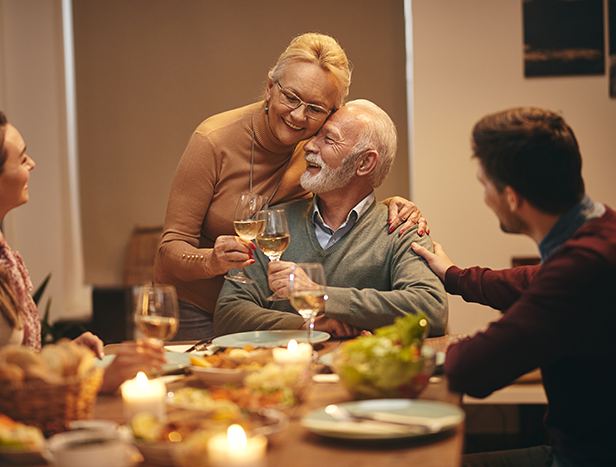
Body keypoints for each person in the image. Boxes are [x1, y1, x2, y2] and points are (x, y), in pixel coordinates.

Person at [0, 111, 165, 460]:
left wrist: (62, 359)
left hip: (11, 434)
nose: (31, 164)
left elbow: (10, 362)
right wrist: (95, 380)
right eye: (21, 158)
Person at [155, 33, 429, 340]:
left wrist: (389, 205)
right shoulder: (213, 140)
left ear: (331, 113)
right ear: (270, 88)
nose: (299, 116)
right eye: (291, 98)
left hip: (263, 309)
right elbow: (169, 247)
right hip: (194, 303)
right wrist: (211, 261)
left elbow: (350, 182)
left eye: (315, 108)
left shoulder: (311, 146)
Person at [411, 107, 616, 467]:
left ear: (511, 198)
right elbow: (532, 281)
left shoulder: (580, 269)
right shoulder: (600, 232)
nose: (485, 196)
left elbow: (474, 370)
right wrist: (453, 275)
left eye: (484, 184)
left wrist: (428, 355)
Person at [214, 100, 448, 338]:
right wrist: (308, 326)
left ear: (365, 163)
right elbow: (229, 312)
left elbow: (431, 309)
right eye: (316, 135)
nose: (308, 146)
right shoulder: (274, 225)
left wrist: (321, 296)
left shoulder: (402, 227)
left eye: (328, 139)